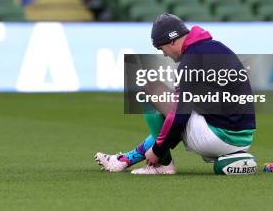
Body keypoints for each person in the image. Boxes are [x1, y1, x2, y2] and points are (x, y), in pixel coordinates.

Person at [95, 14, 256, 175]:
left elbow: (179, 115)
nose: (164, 54)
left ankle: (162, 165)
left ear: (172, 40)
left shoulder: (191, 60)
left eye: (161, 47)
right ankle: (125, 160)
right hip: (244, 138)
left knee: (149, 88)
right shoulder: (217, 47)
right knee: (172, 113)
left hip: (218, 138)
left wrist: (158, 150)